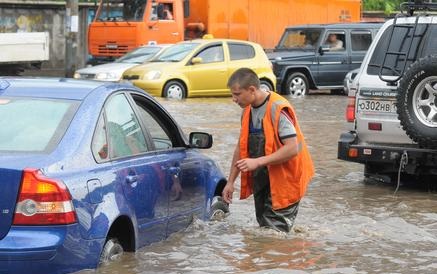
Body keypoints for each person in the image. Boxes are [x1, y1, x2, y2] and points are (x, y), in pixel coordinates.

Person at [222, 68, 314, 233]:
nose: (233, 99)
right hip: (264, 180)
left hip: (286, 180)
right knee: (265, 231)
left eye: (237, 94)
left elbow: (293, 148)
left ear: (251, 90)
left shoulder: (278, 108)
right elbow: (241, 147)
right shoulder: (247, 111)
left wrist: (257, 161)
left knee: (274, 234)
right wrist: (230, 182)